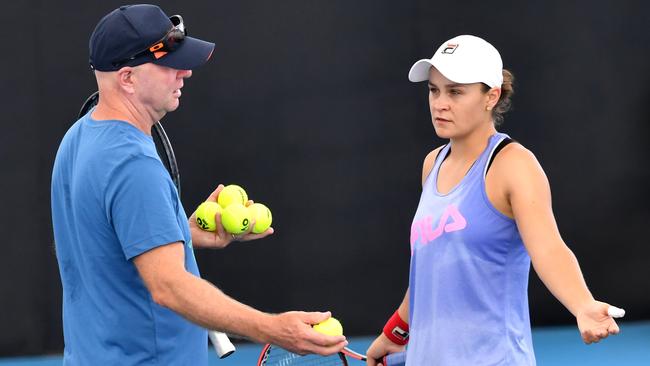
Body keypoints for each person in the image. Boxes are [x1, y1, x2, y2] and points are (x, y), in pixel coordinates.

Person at [51, 4, 346, 365]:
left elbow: (95, 247)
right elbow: (169, 288)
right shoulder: (134, 165)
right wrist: (272, 328)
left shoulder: (77, 139)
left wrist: (177, 233)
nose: (185, 72)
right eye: (169, 65)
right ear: (127, 78)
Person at [365, 35, 623, 366]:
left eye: (455, 91)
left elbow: (548, 249)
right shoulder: (432, 165)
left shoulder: (513, 164)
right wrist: (395, 333)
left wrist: (582, 304)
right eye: (434, 90)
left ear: (492, 96)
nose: (440, 103)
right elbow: (432, 269)